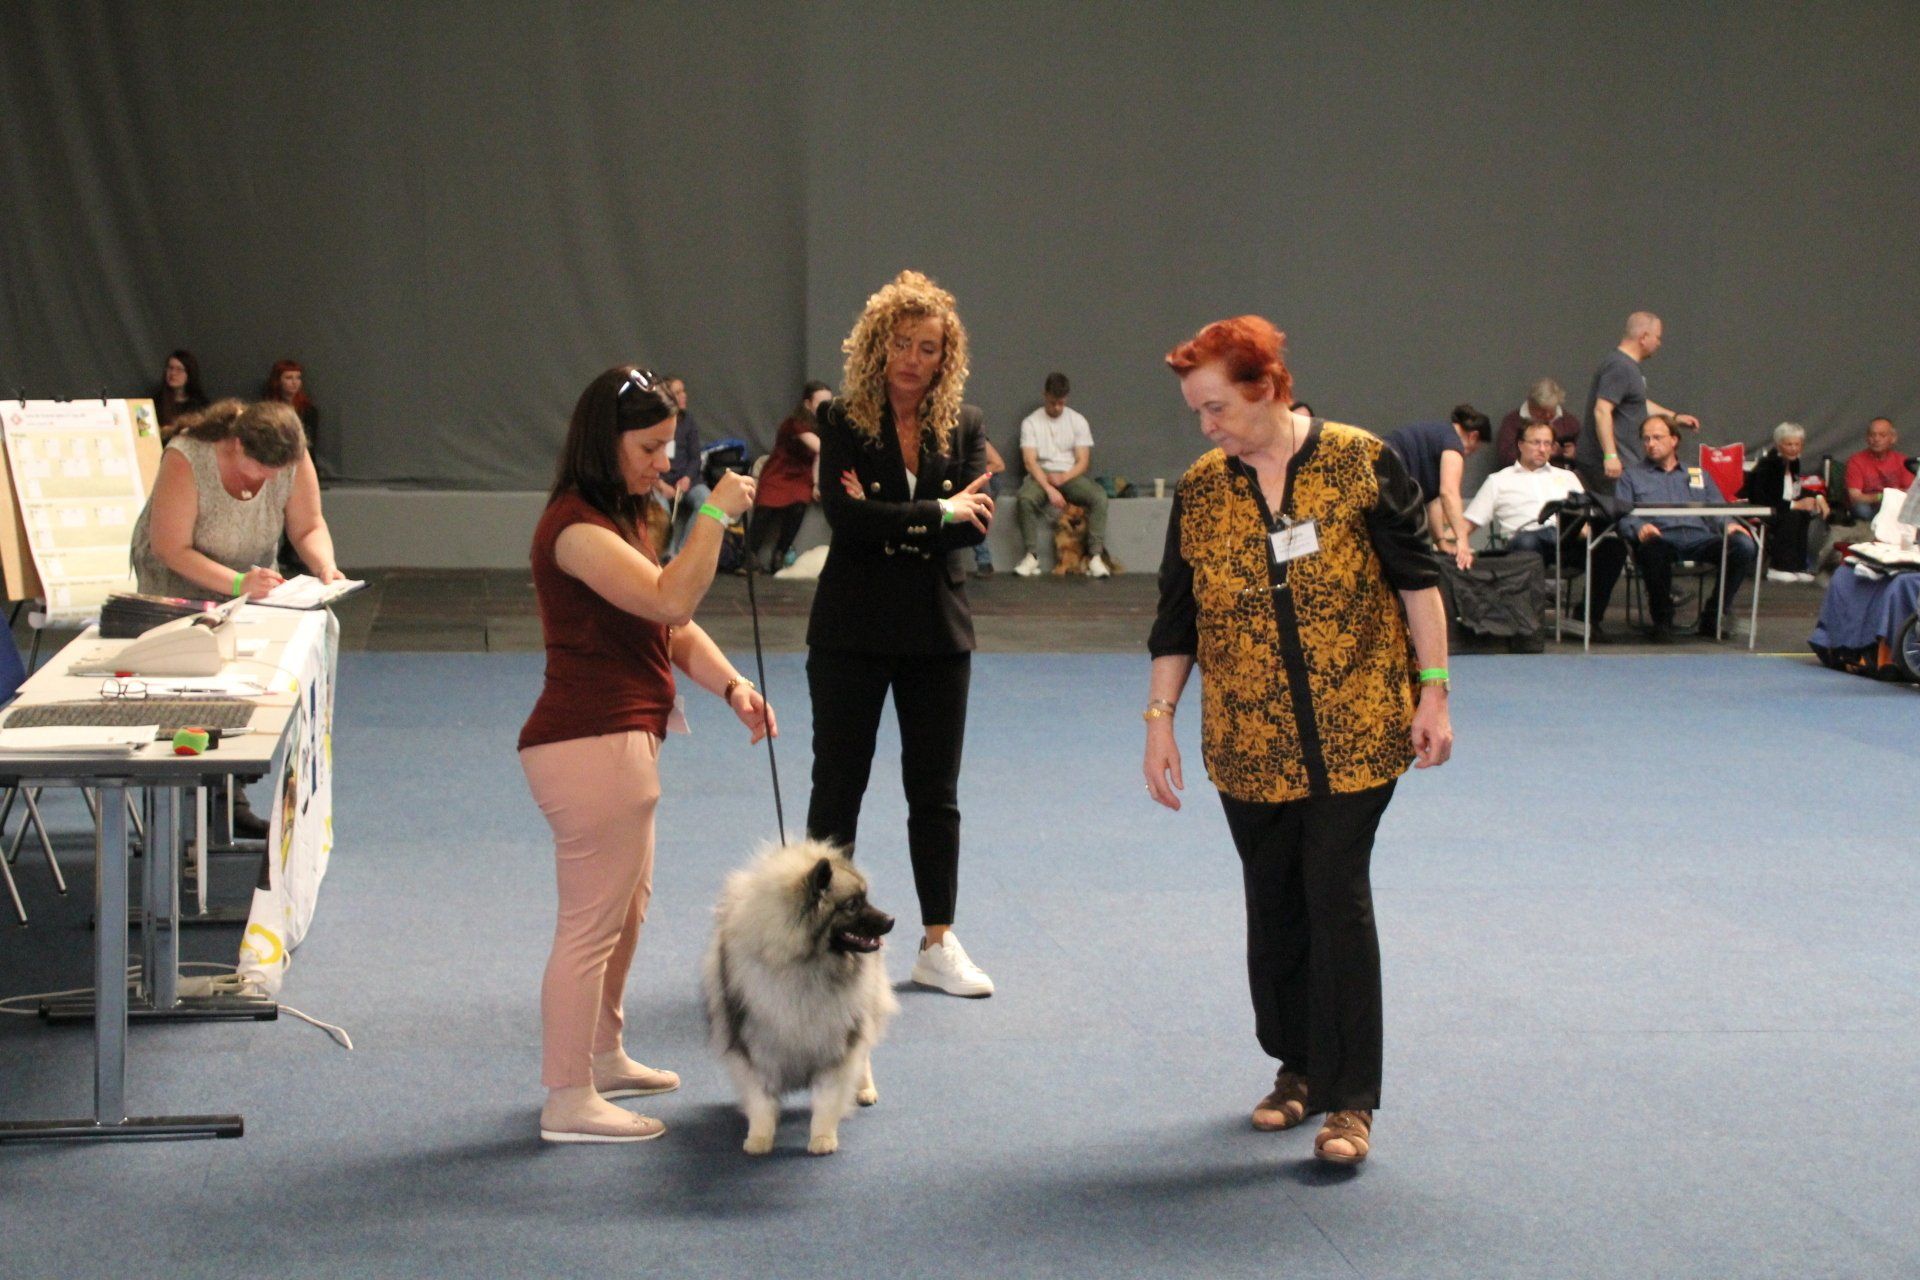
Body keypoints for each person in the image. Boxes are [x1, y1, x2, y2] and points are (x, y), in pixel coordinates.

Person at [1146, 315, 1453, 1167]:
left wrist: (1434, 692)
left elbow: (1417, 582)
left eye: (1216, 407)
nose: (1206, 427)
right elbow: (1176, 617)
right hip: (1247, 740)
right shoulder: (1202, 490)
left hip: (1358, 728)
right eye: (1196, 411)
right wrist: (1159, 721)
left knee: (1335, 894)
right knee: (1275, 904)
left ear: (1268, 387)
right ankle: (1296, 1066)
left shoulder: (1359, 461)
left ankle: (1350, 1100)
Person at [518, 365, 770, 1144]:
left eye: (668, 446)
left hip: (618, 739)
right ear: (607, 442)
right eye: (650, 448)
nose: (664, 462)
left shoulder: (619, 517)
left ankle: (602, 1054)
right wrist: (715, 515)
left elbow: (667, 624)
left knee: (625, 916)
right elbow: (671, 598)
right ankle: (567, 1097)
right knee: (590, 927)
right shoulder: (576, 529)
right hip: (591, 742)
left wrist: (732, 686)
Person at [806, 270, 998, 998]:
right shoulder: (842, 421)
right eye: (901, 343)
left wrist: (899, 520)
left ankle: (937, 942)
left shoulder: (966, 426)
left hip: (937, 634)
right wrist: (936, 513)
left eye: (928, 347)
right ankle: (821, 939)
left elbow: (974, 526)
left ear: (946, 357)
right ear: (876, 346)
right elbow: (845, 519)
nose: (913, 359)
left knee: (935, 794)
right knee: (838, 785)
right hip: (851, 632)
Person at [129, 398, 344, 838]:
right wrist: (236, 583)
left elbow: (307, 526)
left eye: (279, 471)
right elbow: (170, 548)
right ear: (237, 445)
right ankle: (174, 816)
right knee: (190, 698)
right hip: (178, 590)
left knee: (251, 687)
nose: (270, 479)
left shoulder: (290, 456)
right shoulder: (187, 457)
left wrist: (325, 567)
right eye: (261, 469)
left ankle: (230, 798)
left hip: (250, 591)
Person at [1586, 415, 1757, 642]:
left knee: (1744, 545)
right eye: (1646, 439)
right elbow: (1622, 515)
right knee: (1652, 550)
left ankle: (1714, 614)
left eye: (1657, 438)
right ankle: (1663, 620)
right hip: (1660, 538)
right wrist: (1639, 527)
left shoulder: (1697, 474)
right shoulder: (1631, 476)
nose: (1651, 444)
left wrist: (1730, 524)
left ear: (1674, 440)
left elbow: (1716, 508)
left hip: (1700, 538)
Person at [1576, 312, 1700, 493]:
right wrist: (1610, 456)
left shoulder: (1627, 366)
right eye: (1657, 337)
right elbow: (1602, 410)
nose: (1659, 343)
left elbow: (1638, 402)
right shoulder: (1620, 366)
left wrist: (1675, 417)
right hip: (1611, 466)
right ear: (1644, 337)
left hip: (1624, 462)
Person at [1012, 373, 1114, 578]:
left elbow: (1083, 461)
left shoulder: (1078, 421)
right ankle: (1031, 556)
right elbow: (1030, 461)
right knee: (1025, 499)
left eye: (1061, 403)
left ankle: (1095, 556)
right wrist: (1049, 489)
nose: (1057, 407)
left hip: (1069, 472)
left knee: (1099, 497)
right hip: (1041, 474)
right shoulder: (1031, 422)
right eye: (1052, 402)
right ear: (1045, 395)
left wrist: (1064, 478)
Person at [1463, 419, 1585, 564]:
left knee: (1605, 543)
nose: (1542, 449)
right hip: (1525, 540)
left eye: (1547, 443)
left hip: (1565, 540)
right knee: (1527, 541)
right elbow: (1470, 521)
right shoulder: (1499, 480)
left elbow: (1586, 514)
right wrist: (1450, 542)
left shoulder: (1567, 477)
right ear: (1520, 445)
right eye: (1536, 443)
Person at [1383, 405, 1489, 569]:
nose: (1468, 455)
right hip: (1385, 484)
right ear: (1473, 436)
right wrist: (1462, 541)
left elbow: (1434, 501)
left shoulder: (1439, 434)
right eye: (1474, 450)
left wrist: (1441, 542)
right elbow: (1449, 493)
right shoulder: (1453, 444)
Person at [748, 380, 830, 573]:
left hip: (801, 476)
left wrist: (817, 484)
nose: (826, 407)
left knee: (799, 506)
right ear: (808, 404)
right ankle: (749, 555)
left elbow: (818, 457)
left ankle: (780, 554)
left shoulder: (824, 425)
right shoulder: (795, 423)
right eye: (821, 403)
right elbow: (820, 448)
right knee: (765, 510)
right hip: (779, 472)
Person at [1742, 422, 1827, 582]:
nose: (1794, 448)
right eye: (1789, 444)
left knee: (1804, 515)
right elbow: (1764, 498)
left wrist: (1818, 497)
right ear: (1779, 445)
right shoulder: (1768, 465)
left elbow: (1795, 490)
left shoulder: (1793, 463)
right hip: (1762, 509)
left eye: (1797, 444)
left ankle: (1798, 565)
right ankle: (1778, 567)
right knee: (1791, 516)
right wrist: (1797, 505)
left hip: (1782, 507)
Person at [655, 375, 708, 557]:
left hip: (687, 481)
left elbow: (695, 458)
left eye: (683, 391)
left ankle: (683, 554)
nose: (684, 395)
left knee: (707, 501)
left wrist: (687, 478)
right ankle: (668, 556)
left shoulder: (688, 421)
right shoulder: (654, 422)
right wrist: (660, 485)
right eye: (678, 393)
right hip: (660, 482)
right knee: (660, 509)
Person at [1493, 378, 1580, 467]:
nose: (1548, 415)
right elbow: (1505, 458)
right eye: (1543, 411)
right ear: (1531, 405)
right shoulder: (1512, 422)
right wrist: (1544, 453)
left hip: (1561, 474)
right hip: (1523, 474)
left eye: (1552, 410)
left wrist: (1575, 453)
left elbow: (1585, 455)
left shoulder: (1569, 422)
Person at [1845, 418, 1910, 522]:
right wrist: (1883, 496)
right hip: (1870, 506)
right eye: (1872, 435)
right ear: (1867, 438)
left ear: (1893, 438)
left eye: (1882, 435)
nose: (1876, 439)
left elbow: (1910, 492)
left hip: (1895, 505)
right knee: (1861, 509)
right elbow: (1855, 497)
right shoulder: (1855, 461)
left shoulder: (1903, 461)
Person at [263, 359, 320, 460]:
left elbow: (309, 443)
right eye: (289, 378)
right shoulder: (266, 410)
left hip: (301, 458)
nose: (295, 382)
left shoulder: (308, 410)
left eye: (298, 378)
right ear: (278, 381)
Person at [151, 349, 209, 434]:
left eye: (179, 369)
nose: (173, 373)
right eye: (170, 368)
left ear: (189, 374)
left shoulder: (201, 405)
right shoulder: (156, 402)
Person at [972, 437, 1007, 576]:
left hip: (986, 483)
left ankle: (984, 561)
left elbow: (999, 464)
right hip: (967, 482)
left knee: (974, 513)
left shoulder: (976, 438)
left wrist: (975, 474)